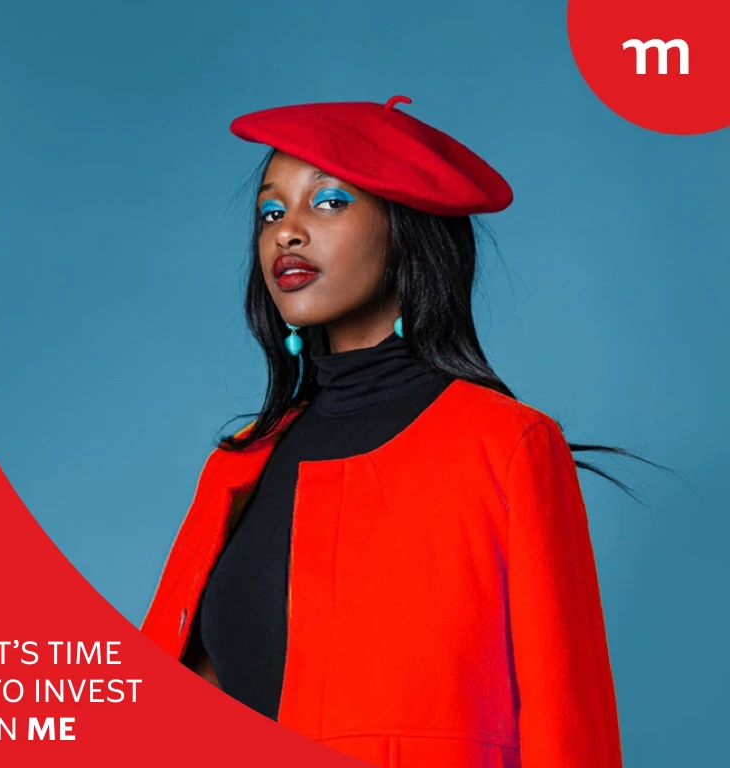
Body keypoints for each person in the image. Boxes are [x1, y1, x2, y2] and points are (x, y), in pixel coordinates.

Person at [141, 95, 651, 767]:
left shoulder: (508, 447)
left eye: (328, 203)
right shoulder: (239, 464)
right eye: (271, 211)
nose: (287, 233)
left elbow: (567, 724)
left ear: (406, 230)